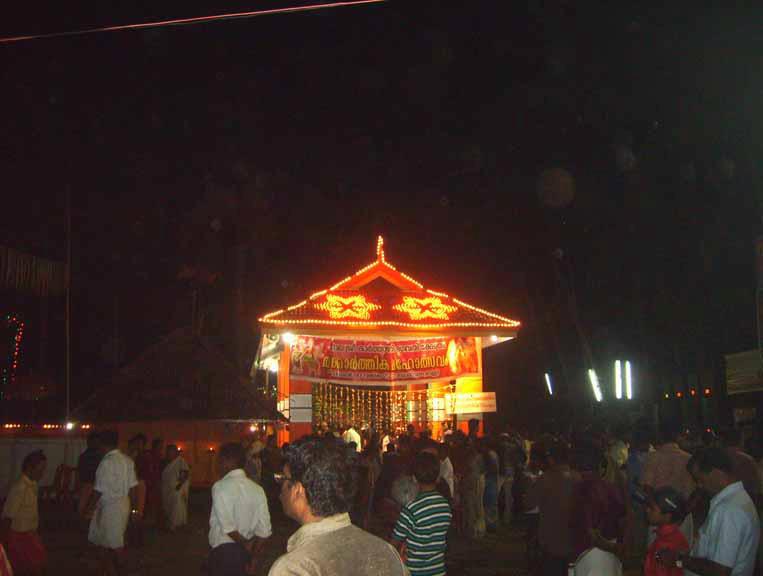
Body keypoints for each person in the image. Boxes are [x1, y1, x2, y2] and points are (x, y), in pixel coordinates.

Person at [269, 436, 406, 576]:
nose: (280, 488)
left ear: (298, 490)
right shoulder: (387, 553)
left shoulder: (294, 568)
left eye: (283, 479)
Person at [658, 447, 760, 576]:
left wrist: (679, 559)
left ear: (717, 473)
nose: (699, 485)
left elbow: (720, 570)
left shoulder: (729, 509)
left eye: (700, 479)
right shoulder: (739, 500)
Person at [209, 442, 272, 576]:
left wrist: (245, 544)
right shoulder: (258, 490)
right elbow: (265, 531)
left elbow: (228, 527)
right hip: (246, 553)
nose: (217, 465)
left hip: (224, 553)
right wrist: (253, 558)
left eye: (219, 460)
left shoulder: (220, 487)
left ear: (226, 461)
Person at [83, 430, 139, 576]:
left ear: (102, 444)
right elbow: (133, 488)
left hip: (110, 508)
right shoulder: (128, 460)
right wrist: (134, 509)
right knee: (103, 542)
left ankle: (121, 571)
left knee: (115, 544)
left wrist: (88, 509)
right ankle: (107, 571)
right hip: (122, 505)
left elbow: (98, 490)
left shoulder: (106, 462)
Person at [391, 451, 452, 576]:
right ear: (437, 477)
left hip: (414, 571)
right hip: (438, 570)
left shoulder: (411, 509)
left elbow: (394, 543)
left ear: (414, 478)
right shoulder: (445, 505)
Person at [569, 440, 625, 576]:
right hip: (602, 554)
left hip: (586, 555)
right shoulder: (609, 489)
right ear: (601, 465)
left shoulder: (576, 489)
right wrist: (617, 548)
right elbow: (623, 520)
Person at [524, 439, 577, 576]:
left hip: (551, 542)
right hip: (575, 540)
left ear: (551, 459)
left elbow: (528, 504)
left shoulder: (545, 479)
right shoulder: (578, 478)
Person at [642, 422, 694, 545]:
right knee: (680, 554)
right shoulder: (688, 458)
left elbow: (647, 487)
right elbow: (694, 491)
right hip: (682, 514)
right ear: (677, 437)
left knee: (656, 553)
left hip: (659, 514)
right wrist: (682, 513)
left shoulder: (653, 457)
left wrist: (655, 511)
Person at [1, 450, 47, 576]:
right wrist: (4, 541)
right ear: (29, 468)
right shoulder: (19, 487)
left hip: (30, 533)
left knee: (37, 565)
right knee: (29, 567)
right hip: (19, 536)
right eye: (40, 469)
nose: (43, 472)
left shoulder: (32, 484)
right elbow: (8, 516)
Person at [643, 487, 689, 576]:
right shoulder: (676, 536)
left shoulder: (666, 544)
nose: (647, 510)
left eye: (652, 508)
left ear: (667, 516)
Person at [723, 428, 761, 506]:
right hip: (746, 501)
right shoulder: (747, 460)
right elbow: (757, 487)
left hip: (725, 500)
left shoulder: (719, 458)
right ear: (740, 440)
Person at [161, 444, 190, 531]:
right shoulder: (167, 462)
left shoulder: (181, 461)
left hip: (177, 491)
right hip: (167, 489)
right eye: (167, 452)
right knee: (168, 508)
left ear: (175, 452)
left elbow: (185, 474)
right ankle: (170, 524)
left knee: (177, 507)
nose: (168, 454)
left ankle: (176, 525)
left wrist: (178, 487)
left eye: (170, 452)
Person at [77, 431, 102, 517]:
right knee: (84, 508)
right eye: (94, 442)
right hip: (88, 484)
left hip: (96, 485)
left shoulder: (100, 456)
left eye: (98, 442)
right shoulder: (85, 456)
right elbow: (80, 472)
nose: (96, 444)